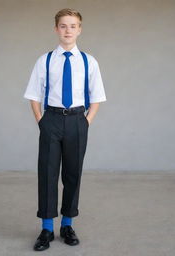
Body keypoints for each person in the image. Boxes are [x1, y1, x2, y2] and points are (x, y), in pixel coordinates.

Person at [23, 8, 107, 251]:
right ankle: (47, 228)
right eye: (63, 25)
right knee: (47, 173)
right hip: (51, 120)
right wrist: (41, 120)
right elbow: (33, 94)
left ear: (79, 29)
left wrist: (86, 121)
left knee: (73, 174)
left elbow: (97, 96)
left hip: (77, 121)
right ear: (56, 29)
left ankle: (67, 224)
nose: (68, 30)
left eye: (72, 26)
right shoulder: (45, 60)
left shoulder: (88, 61)